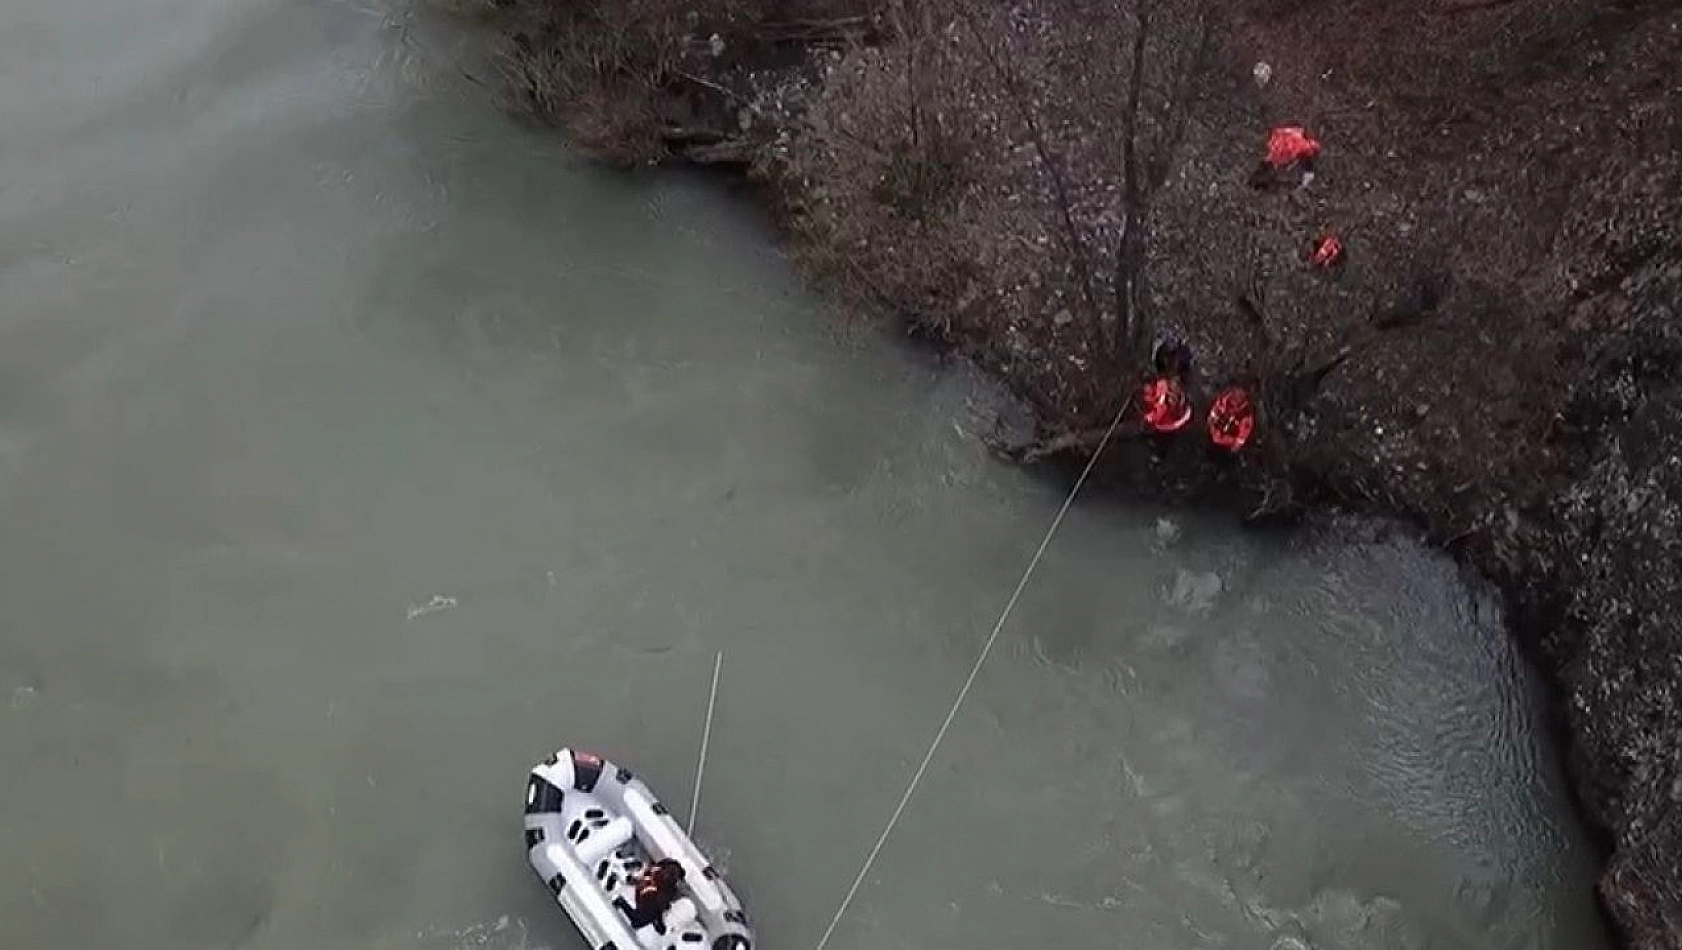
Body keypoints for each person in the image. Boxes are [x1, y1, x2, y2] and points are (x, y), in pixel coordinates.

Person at [626, 858, 686, 930]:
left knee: (639, 919)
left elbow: (646, 878)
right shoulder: (670, 886)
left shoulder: (658, 870)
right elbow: (661, 901)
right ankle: (621, 902)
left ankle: (622, 903)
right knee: (637, 921)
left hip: (646, 896)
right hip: (649, 899)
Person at [1207, 384, 1257, 453]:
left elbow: (1239, 440)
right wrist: (1211, 424)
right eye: (1236, 391)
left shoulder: (1246, 416)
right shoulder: (1225, 398)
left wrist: (1231, 444)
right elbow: (1214, 411)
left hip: (1224, 447)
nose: (1237, 395)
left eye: (1241, 394)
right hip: (1211, 435)